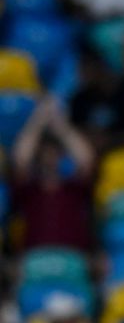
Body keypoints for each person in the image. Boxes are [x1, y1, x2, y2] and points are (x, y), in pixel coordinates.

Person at [11, 95, 95, 252]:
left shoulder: (74, 188)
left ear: (62, 156)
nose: (50, 157)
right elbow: (20, 161)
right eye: (45, 153)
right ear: (38, 157)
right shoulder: (30, 189)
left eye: (54, 153)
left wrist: (61, 126)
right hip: (34, 257)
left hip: (73, 258)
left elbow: (86, 160)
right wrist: (37, 121)